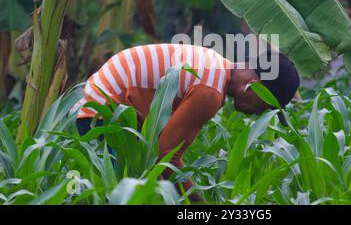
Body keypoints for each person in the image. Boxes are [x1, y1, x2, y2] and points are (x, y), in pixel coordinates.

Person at [73, 44, 300, 201]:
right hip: (105, 112)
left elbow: (159, 152)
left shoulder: (216, 68)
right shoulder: (210, 91)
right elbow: (167, 156)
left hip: (106, 107)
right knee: (116, 197)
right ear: (254, 84)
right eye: (265, 104)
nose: (260, 113)